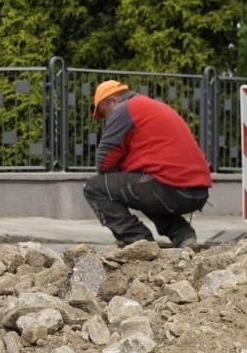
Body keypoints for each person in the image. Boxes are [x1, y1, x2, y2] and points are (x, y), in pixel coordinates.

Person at [84, 80, 212, 248]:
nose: (106, 119)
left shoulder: (124, 109)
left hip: (170, 190)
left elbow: (104, 163)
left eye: (105, 112)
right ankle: (184, 236)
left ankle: (139, 242)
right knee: (140, 186)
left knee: (93, 187)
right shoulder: (153, 106)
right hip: (197, 192)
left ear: (113, 101)